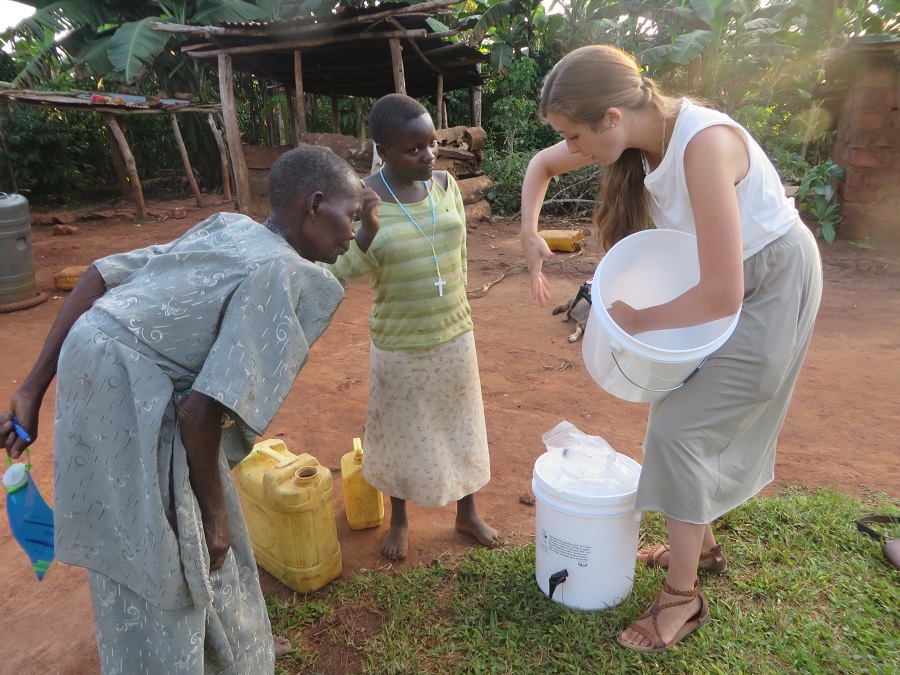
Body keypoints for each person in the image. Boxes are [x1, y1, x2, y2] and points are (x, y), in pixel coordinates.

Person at [0, 145, 380, 674]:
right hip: (137, 398)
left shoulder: (231, 226)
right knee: (181, 544)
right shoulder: (284, 273)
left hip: (87, 365)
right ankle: (193, 659)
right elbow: (198, 413)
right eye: (350, 217)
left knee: (139, 533)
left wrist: (32, 389)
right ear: (315, 204)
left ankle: (224, 646)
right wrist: (217, 517)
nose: (350, 235)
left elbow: (100, 276)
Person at [520, 46, 822, 652]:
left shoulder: (703, 144)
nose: (571, 150)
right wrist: (529, 231)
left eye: (576, 137)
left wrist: (638, 318)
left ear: (611, 117)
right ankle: (701, 547)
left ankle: (682, 599)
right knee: (677, 411)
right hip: (721, 281)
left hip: (769, 285)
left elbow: (722, 293)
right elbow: (539, 167)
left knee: (681, 430)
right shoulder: (630, 134)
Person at [322, 93, 501, 561]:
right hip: (399, 342)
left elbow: (459, 254)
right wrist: (366, 233)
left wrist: (458, 306)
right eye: (413, 149)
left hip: (454, 333)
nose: (428, 156)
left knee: (461, 426)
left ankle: (467, 512)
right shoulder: (365, 200)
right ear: (383, 149)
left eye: (431, 145)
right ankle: (400, 518)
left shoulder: (445, 186)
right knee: (402, 431)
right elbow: (340, 270)